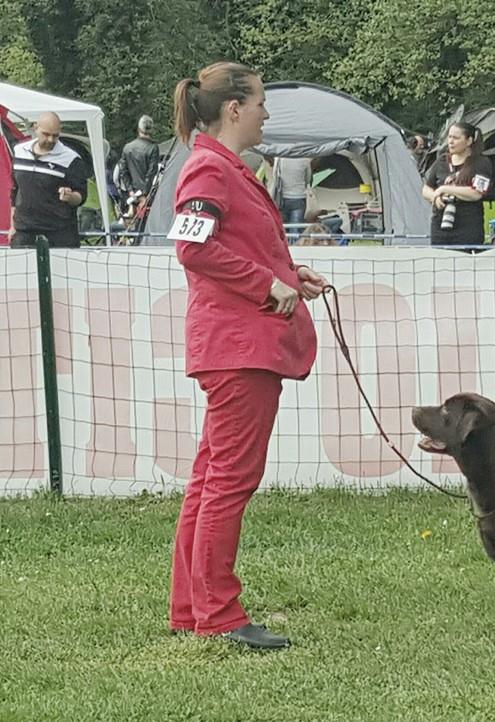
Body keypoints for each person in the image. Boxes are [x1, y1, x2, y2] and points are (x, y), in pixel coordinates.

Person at [166, 61, 328, 650]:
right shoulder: (210, 167)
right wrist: (267, 285)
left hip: (233, 343)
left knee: (210, 478)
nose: (266, 111)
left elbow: (228, 245)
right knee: (230, 481)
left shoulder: (223, 166)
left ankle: (192, 608)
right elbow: (192, 247)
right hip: (239, 347)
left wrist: (288, 273)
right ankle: (220, 613)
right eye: (260, 101)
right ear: (234, 108)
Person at [9, 111, 87, 248]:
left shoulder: (71, 159)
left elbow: (82, 195)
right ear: (35, 128)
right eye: (46, 134)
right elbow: (15, 191)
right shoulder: (19, 151)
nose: (51, 140)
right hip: (24, 233)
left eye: (55, 135)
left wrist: (71, 197)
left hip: (59, 235)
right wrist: (12, 226)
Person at [422, 121, 493, 246]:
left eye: (456, 138)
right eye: (449, 137)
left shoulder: (481, 163)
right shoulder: (442, 160)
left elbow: (476, 193)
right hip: (440, 224)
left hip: (468, 227)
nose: (450, 141)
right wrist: (435, 197)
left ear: (469, 141)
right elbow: (426, 189)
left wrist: (446, 189)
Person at [118, 114, 160, 213]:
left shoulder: (127, 148)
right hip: (148, 195)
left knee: (133, 224)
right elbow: (152, 173)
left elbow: (123, 171)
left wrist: (130, 191)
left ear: (138, 129)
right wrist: (144, 194)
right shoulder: (153, 148)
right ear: (151, 130)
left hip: (132, 195)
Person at [273, 156, 312, 233]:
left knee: (282, 229)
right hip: (299, 197)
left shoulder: (279, 158)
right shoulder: (305, 159)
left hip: (282, 198)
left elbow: (275, 177)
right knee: (296, 229)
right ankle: (294, 243)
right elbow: (308, 178)